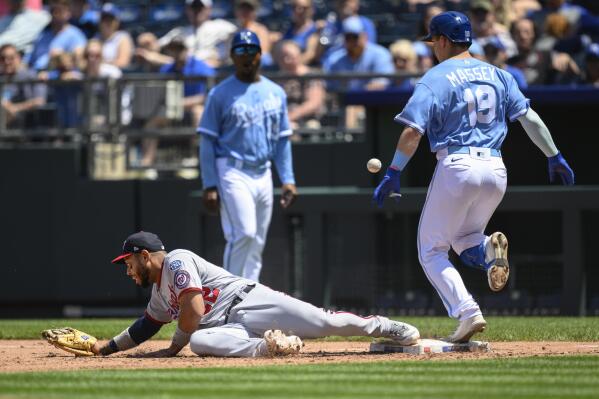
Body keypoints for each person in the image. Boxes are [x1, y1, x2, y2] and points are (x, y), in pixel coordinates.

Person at [372, 11, 574, 343]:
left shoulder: (436, 77)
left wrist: (394, 171)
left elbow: (412, 132)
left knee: (431, 249)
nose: (432, 48)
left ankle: (467, 312)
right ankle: (488, 249)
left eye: (433, 41)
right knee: (465, 239)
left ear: (444, 41)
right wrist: (554, 155)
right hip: (496, 169)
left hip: (458, 165)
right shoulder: (500, 75)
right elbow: (530, 119)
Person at [89, 231, 420, 358]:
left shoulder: (177, 260)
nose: (127, 270)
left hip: (249, 302)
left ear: (145, 256)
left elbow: (193, 308)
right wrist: (106, 348)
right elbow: (146, 326)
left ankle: (383, 327)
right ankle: (272, 346)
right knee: (202, 343)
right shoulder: (159, 295)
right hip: (228, 329)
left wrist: (174, 347)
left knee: (322, 321)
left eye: (129, 262)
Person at [198, 30, 297, 282]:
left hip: (263, 171)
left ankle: (248, 300)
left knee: (257, 241)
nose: (246, 56)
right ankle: (224, 295)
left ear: (260, 54)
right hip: (232, 169)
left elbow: (282, 139)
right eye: (240, 50)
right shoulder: (219, 94)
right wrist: (209, 183)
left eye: (251, 50)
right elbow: (207, 140)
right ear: (232, 55)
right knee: (244, 233)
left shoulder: (275, 92)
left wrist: (287, 178)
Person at [155, 0, 237, 68]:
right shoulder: (179, 32)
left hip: (213, 74)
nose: (196, 11)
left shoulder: (221, 26)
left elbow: (241, 36)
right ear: (187, 10)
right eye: (194, 7)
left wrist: (222, 59)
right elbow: (156, 46)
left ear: (209, 9)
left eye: (200, 7)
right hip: (186, 73)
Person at [323, 16, 394, 91]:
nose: (352, 41)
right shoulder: (335, 59)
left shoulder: (380, 54)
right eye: (348, 37)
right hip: (343, 101)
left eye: (355, 37)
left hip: (374, 101)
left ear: (364, 36)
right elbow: (328, 86)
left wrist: (357, 97)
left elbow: (381, 84)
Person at [273, 40, 325, 132]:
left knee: (311, 126)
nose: (286, 60)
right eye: (282, 57)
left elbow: (313, 104)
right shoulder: (278, 78)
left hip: (307, 121)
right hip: (282, 121)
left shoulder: (312, 75)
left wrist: (288, 118)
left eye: (289, 57)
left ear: (298, 56)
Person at [28, 0, 87, 71]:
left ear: (68, 13)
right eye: (53, 10)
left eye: (60, 11)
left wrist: (61, 57)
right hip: (36, 76)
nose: (56, 14)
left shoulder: (76, 35)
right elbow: (30, 60)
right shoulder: (42, 35)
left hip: (59, 77)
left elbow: (80, 63)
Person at [0, 43, 46, 128]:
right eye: (2, 59)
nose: (7, 62)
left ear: (18, 58)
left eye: (11, 58)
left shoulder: (31, 76)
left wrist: (15, 108)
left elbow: (40, 101)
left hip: (27, 123)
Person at [96, 3, 133, 69]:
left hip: (117, 76)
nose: (107, 23)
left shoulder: (122, 37)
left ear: (117, 22)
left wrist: (101, 63)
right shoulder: (96, 38)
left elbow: (123, 63)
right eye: (104, 19)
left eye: (110, 20)